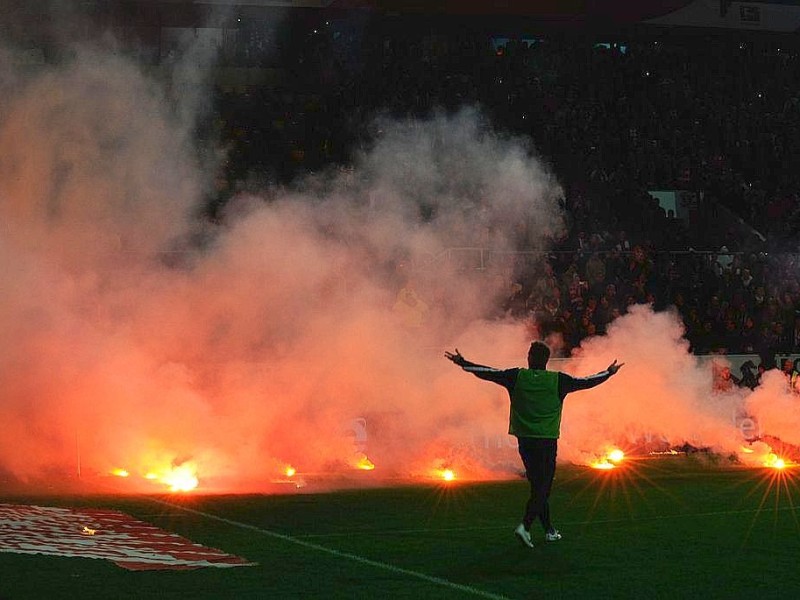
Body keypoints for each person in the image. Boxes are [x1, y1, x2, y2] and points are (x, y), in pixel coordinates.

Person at [445, 341, 623, 549]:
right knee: (544, 487)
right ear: (546, 360)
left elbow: (487, 373)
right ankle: (525, 526)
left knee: (538, 486)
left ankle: (549, 531)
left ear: (529, 357)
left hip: (524, 440)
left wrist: (462, 362)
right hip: (546, 440)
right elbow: (586, 382)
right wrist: (609, 372)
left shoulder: (516, 376)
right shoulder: (558, 380)